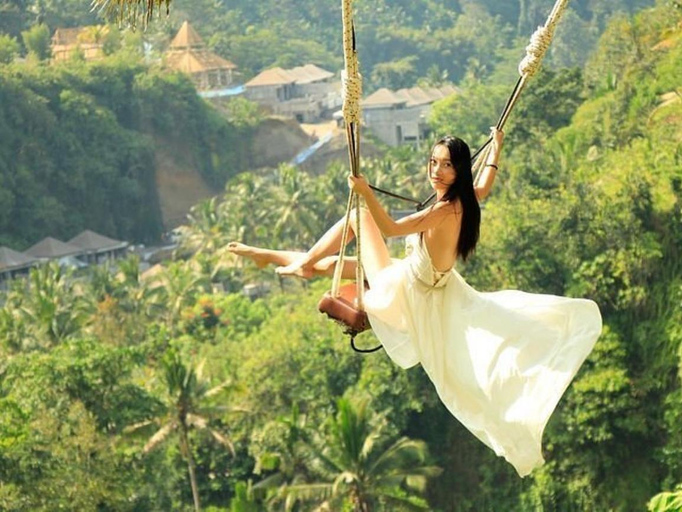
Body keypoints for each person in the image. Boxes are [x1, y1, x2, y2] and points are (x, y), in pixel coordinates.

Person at [227, 129, 602, 477]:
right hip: (426, 285)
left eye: (447, 165)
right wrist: (497, 145)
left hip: (408, 291)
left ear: (459, 171)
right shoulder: (467, 199)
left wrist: (364, 191)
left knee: (357, 218)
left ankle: (301, 263)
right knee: (339, 267)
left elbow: (390, 229)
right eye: (433, 162)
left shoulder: (444, 210)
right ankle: (274, 257)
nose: (437, 171)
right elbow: (486, 182)